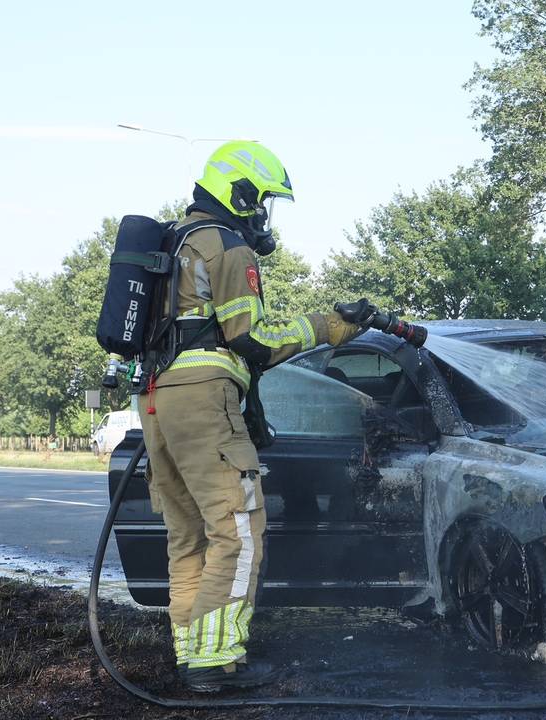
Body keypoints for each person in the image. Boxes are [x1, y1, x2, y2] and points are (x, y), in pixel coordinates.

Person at [137, 140, 376, 692]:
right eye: (261, 200)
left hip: (155, 398)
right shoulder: (227, 248)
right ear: (239, 192)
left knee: (188, 535)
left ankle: (190, 653)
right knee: (238, 532)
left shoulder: (175, 242)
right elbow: (254, 339)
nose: (263, 215)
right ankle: (216, 659)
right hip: (202, 398)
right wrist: (327, 327)